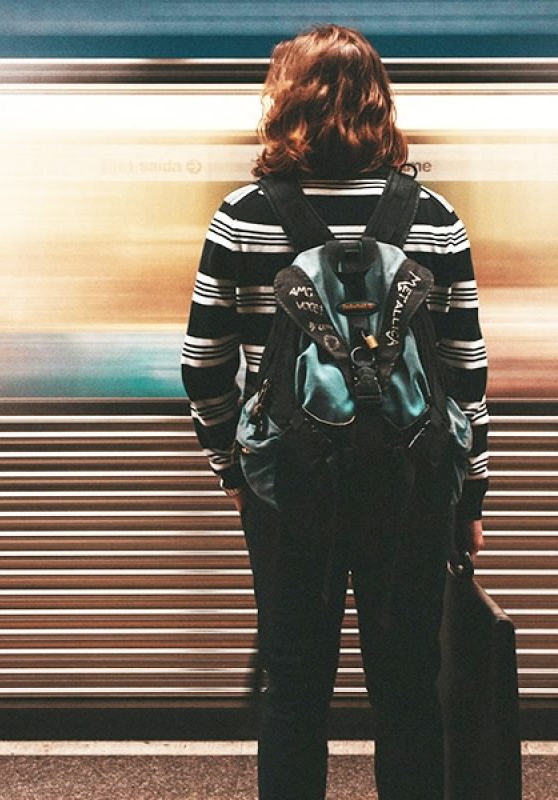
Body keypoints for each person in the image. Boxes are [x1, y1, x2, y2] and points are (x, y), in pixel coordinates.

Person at [182, 24, 488, 800]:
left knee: (294, 690)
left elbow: (203, 364)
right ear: (380, 105)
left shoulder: (242, 216)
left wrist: (231, 468)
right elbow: (466, 374)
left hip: (288, 492)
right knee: (409, 688)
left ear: (283, 104)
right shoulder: (435, 218)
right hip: (412, 491)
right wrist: (471, 496)